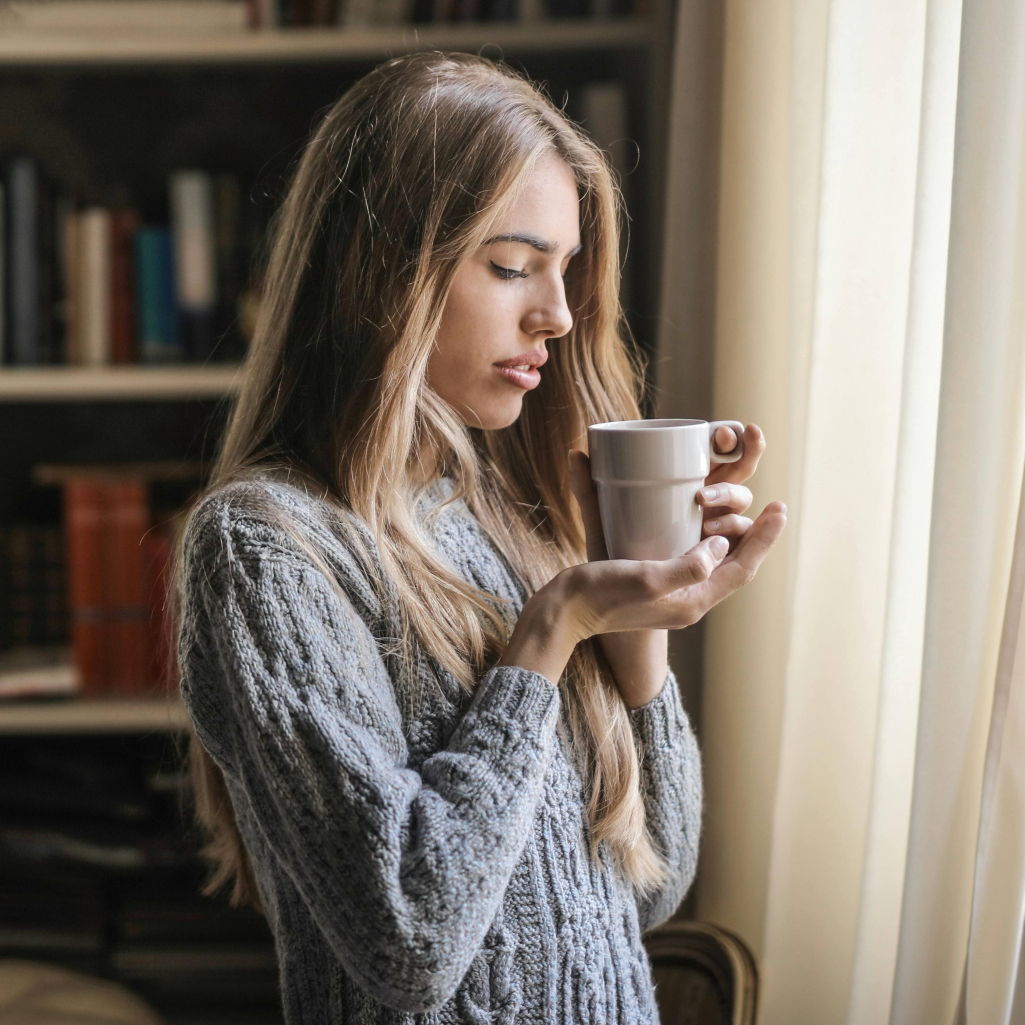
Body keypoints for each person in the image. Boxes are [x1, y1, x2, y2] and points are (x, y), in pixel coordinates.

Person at [176, 51, 786, 1025]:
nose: (555, 313)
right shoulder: (267, 548)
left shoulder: (510, 513)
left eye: (564, 270)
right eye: (509, 266)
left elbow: (649, 883)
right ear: (383, 271)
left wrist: (634, 620)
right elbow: (408, 941)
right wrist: (551, 628)